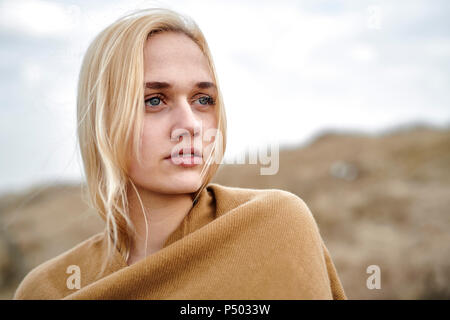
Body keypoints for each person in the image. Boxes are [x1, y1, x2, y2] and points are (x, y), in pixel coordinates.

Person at [13, 7, 347, 300]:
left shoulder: (274, 224)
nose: (190, 125)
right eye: (154, 100)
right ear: (104, 118)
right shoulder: (45, 289)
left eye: (203, 100)